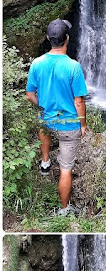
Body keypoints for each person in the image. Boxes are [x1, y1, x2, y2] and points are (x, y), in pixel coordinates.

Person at [25, 19, 88, 216]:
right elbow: (79, 102)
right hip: (69, 125)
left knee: (44, 129)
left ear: (48, 39)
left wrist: (42, 105)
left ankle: (45, 162)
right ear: (67, 38)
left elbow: (29, 94)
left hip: (47, 119)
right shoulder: (73, 66)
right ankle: (64, 209)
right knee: (66, 169)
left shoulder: (37, 63)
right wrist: (83, 124)